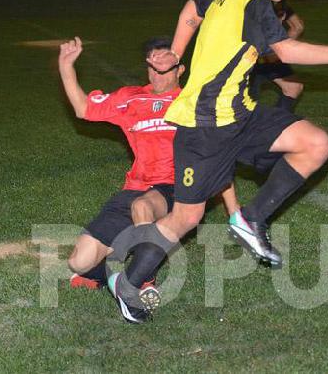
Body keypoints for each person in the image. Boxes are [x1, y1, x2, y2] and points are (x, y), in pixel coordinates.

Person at [106, 0, 328, 323]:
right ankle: (127, 284)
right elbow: (284, 49)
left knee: (316, 144)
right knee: (186, 217)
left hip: (240, 114)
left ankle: (251, 218)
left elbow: (191, 8)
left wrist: (176, 56)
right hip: (205, 127)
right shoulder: (254, 2)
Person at [60, 36, 240, 322]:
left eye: (164, 68)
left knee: (142, 207)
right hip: (135, 187)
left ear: (180, 69)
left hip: (174, 189)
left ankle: (143, 279)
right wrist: (66, 66)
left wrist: (236, 214)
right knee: (78, 262)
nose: (156, 75)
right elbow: (83, 109)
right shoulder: (131, 99)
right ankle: (106, 276)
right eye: (151, 68)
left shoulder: (193, 102)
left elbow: (218, 159)